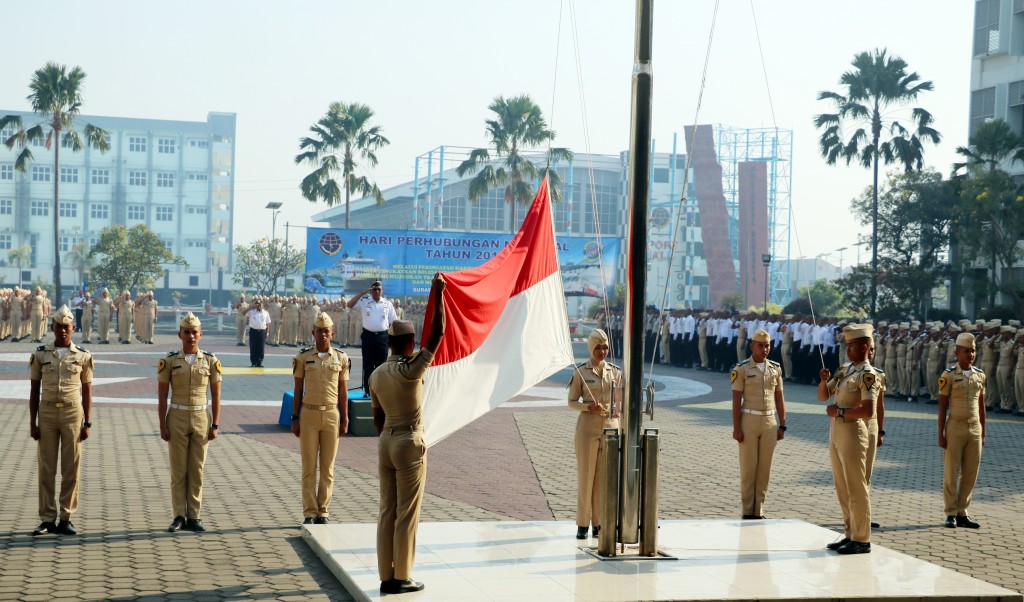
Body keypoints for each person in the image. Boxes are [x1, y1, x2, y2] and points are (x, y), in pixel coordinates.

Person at [369, 273, 445, 596]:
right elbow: (438, 334)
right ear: (411, 344)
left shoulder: (376, 375)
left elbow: (377, 418)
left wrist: (390, 434)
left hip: (385, 441)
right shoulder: (411, 369)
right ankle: (402, 577)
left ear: (389, 342)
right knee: (407, 513)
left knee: (387, 510)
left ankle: (386, 576)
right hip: (409, 442)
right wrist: (437, 293)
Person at [29, 305, 94, 536]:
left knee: (71, 467)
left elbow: (87, 391)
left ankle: (66, 517)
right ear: (52, 328)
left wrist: (88, 423)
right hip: (46, 413)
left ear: (73, 328)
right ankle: (47, 518)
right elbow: (34, 390)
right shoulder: (40, 354)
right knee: (46, 468)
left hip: (72, 413)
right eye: (59, 327)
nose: (63, 331)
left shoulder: (83, 356)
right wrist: (32, 422)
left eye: (67, 327)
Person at [816, 323, 880, 555]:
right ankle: (850, 533)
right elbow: (823, 396)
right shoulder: (845, 370)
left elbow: (869, 410)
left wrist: (841, 412)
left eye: (851, 345)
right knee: (842, 485)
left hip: (853, 431)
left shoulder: (868, 374)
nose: (847, 349)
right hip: (837, 432)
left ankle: (862, 538)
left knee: (856, 486)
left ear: (864, 347)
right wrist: (824, 380)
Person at [158, 312, 222, 533]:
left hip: (201, 417)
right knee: (178, 470)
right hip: (176, 416)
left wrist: (215, 424)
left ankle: (194, 516)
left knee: (197, 469)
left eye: (195, 332)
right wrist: (162, 424)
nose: (191, 336)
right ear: (180, 335)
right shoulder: (169, 361)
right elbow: (162, 395)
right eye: (187, 332)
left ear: (201, 334)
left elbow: (216, 394)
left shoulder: (211, 361)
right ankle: (178, 516)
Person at [291, 312, 350, 525]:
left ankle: (323, 511)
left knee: (327, 468)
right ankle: (309, 512)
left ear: (332, 333)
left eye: (326, 331)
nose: (323, 335)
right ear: (313, 333)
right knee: (309, 467)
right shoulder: (303, 357)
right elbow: (297, 390)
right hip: (309, 414)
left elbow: (343, 392)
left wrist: (345, 418)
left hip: (332, 414)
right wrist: (294, 418)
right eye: (319, 331)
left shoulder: (341, 358)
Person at [568, 328, 621, 539]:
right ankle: (582, 524)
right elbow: (571, 402)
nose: (602, 351)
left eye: (605, 347)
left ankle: (599, 523)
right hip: (587, 429)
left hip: (610, 427)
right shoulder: (581, 371)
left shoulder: (615, 372)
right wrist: (588, 408)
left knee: (604, 478)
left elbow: (621, 401)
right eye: (598, 347)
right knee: (586, 476)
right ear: (591, 348)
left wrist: (618, 415)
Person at [731, 328, 786, 520]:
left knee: (764, 469)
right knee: (749, 468)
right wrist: (736, 428)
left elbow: (780, 398)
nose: (764, 349)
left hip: (770, 422)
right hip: (749, 420)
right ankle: (748, 510)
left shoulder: (775, 368)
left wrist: (782, 424)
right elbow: (736, 400)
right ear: (752, 346)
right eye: (761, 345)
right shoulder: (741, 369)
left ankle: (759, 510)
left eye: (767, 345)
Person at [938, 332, 986, 529]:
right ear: (957, 352)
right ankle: (950, 512)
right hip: (955, 427)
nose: (971, 354)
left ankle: (962, 512)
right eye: (967, 351)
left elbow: (982, 405)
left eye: (973, 351)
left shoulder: (980, 375)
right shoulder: (948, 375)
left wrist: (983, 431)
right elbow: (942, 407)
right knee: (952, 472)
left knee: (970, 473)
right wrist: (940, 433)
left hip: (974, 427)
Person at [348, 280, 398, 397]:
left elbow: (393, 321)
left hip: (383, 337)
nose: (376, 291)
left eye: (378, 289)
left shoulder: (387, 304)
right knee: (368, 365)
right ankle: (368, 390)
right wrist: (362, 293)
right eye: (374, 289)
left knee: (381, 365)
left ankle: (380, 391)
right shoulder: (364, 301)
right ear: (371, 291)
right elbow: (349, 305)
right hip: (368, 336)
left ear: (382, 291)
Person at [246, 299, 270, 368]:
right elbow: (243, 313)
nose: (258, 306)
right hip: (253, 331)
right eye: (257, 304)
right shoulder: (251, 312)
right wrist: (250, 307)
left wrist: (267, 332)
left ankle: (259, 362)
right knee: (253, 347)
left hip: (262, 331)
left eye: (260, 304)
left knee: (261, 347)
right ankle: (253, 362)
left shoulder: (265, 313)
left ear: (262, 305)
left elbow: (268, 323)